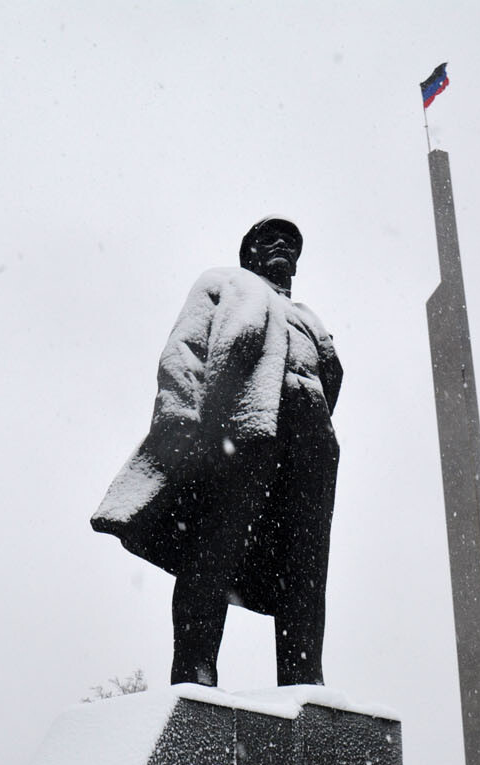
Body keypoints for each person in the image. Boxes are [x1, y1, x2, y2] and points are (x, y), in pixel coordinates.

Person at [91, 217, 342, 687]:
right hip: (242, 430)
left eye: (290, 242)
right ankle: (195, 670)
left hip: (311, 443)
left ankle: (304, 679)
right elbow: (182, 354)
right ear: (249, 252)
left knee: (305, 569)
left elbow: (331, 378)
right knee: (213, 551)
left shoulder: (310, 318)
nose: (281, 246)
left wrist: (313, 421)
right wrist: (184, 431)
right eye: (269, 239)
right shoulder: (224, 283)